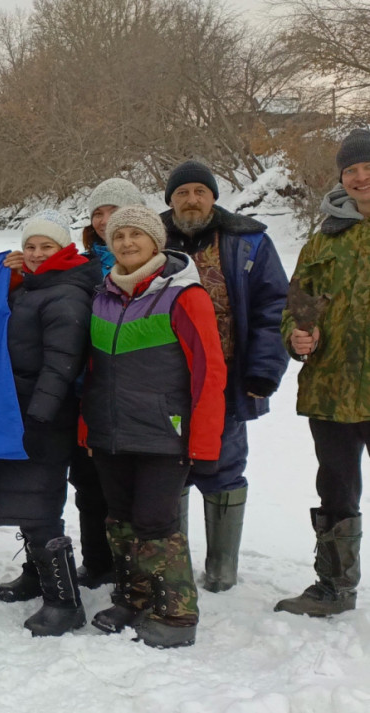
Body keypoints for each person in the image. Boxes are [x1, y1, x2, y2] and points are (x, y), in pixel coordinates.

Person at [81, 205, 226, 648]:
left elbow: (209, 371)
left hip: (165, 432)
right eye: (118, 236)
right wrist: (89, 427)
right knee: (121, 520)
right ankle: (134, 596)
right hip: (110, 431)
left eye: (135, 236)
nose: (126, 243)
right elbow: (92, 369)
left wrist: (202, 439)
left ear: (155, 242)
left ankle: (177, 614)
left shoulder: (184, 296)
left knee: (155, 523)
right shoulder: (103, 296)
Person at [161, 160, 289, 592]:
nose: (191, 200)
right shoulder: (150, 238)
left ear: (213, 196)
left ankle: (221, 569)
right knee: (166, 467)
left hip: (226, 379)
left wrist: (264, 370)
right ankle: (172, 561)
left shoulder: (247, 241)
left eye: (199, 191)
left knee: (224, 465)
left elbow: (275, 308)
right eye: (182, 193)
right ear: (170, 201)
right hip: (163, 380)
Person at [0, 210, 98, 636]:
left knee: (41, 502)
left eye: (45, 247)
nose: (35, 254)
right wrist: (12, 278)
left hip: (44, 414)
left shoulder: (66, 293)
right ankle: (36, 574)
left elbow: (62, 363)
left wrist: (38, 413)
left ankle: (64, 600)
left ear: (64, 249)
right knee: (28, 497)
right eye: (30, 246)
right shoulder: (36, 286)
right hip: (21, 406)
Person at [275, 129, 370, 617]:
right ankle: (334, 585)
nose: (360, 176)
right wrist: (297, 335)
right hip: (332, 390)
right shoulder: (322, 241)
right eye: (351, 169)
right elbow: (296, 307)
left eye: (367, 167)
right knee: (334, 486)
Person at [69, 177, 148, 588]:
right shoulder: (79, 265)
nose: (103, 221)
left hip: (137, 393)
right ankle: (96, 561)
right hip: (86, 390)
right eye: (97, 214)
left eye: (113, 212)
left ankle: (134, 572)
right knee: (87, 483)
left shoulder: (157, 265)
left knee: (133, 491)